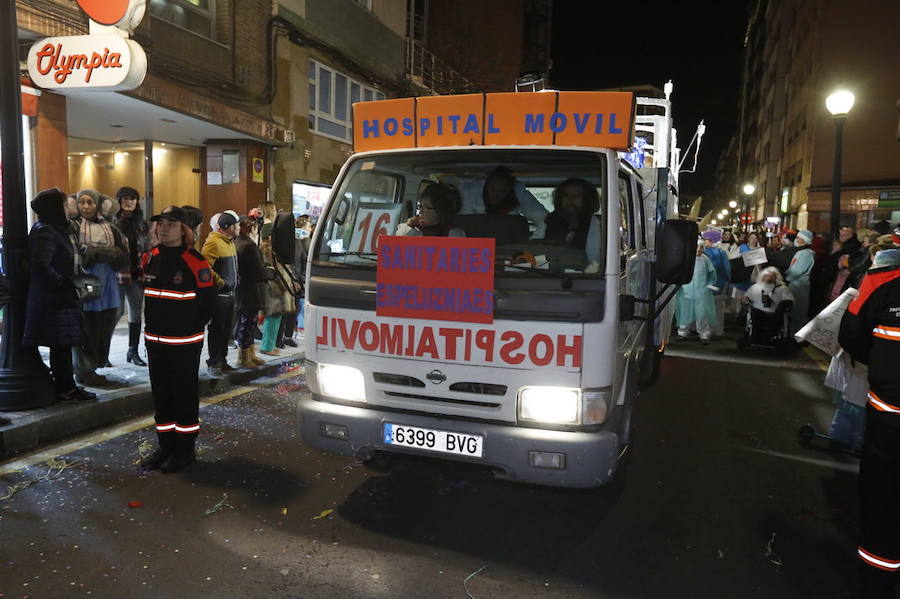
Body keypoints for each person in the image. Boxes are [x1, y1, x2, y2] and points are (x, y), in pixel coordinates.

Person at [838, 247, 900, 597]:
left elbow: (852, 335)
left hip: (890, 419)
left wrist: (882, 366)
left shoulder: (880, 283)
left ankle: (877, 584)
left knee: (883, 500)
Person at [140, 207, 215, 473]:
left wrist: (191, 328)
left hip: (184, 344)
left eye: (172, 224)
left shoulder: (196, 261)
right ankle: (165, 446)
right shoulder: (149, 258)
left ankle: (185, 451)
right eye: (161, 224)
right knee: (162, 397)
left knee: (183, 396)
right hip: (155, 342)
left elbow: (208, 302)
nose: (164, 228)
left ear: (184, 230)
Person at [24, 188, 96, 402]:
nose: (69, 208)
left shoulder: (57, 229)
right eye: (65, 204)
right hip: (54, 298)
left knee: (64, 344)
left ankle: (68, 387)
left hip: (61, 296)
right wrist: (62, 283)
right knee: (61, 345)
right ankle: (66, 389)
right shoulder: (45, 231)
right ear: (55, 208)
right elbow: (40, 264)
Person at [71, 188, 128, 384]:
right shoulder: (74, 227)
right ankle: (84, 369)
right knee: (86, 326)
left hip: (108, 284)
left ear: (98, 205)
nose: (86, 206)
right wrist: (101, 253)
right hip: (84, 285)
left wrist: (103, 254)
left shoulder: (111, 228)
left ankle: (96, 363)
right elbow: (77, 255)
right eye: (82, 202)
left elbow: (123, 254)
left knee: (104, 326)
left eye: (90, 202)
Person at [113, 186, 149, 366]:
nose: (128, 202)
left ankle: (132, 351)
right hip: (118, 272)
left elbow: (147, 246)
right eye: (125, 198)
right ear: (118, 201)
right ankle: (103, 352)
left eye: (132, 199)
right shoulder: (112, 222)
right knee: (116, 311)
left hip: (137, 272)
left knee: (136, 311)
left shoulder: (142, 223)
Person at [458, 166, 548, 237]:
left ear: (510, 192)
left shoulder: (519, 193)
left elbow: (544, 220)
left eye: (502, 191)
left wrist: (534, 244)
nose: (495, 195)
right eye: (493, 189)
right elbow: (459, 227)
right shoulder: (468, 193)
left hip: (511, 253)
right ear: (486, 185)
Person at [201, 212, 239, 376]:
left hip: (230, 295)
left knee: (226, 330)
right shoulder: (214, 243)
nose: (239, 228)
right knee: (217, 329)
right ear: (229, 227)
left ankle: (222, 360)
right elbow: (205, 267)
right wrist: (220, 282)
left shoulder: (229, 242)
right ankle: (214, 363)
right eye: (236, 225)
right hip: (220, 296)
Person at [258, 202, 294, 356]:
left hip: (275, 271)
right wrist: (271, 269)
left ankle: (270, 344)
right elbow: (265, 248)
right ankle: (267, 346)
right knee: (274, 310)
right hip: (273, 273)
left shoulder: (270, 225)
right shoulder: (267, 226)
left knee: (277, 310)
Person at [233, 215, 269, 369]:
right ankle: (243, 357)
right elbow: (258, 271)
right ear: (251, 229)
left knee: (248, 323)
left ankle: (250, 354)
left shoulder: (237, 243)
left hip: (242, 290)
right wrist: (268, 272)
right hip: (250, 290)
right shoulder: (249, 245)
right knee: (247, 324)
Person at [543, 177, 602, 265]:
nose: (569, 200)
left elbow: (596, 262)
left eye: (576, 196)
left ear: (587, 201)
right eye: (565, 195)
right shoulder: (549, 221)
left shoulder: (601, 227)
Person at [675, 242, 718, 343]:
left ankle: (705, 334)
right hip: (686, 290)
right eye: (697, 247)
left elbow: (712, 274)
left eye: (701, 247)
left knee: (702, 314)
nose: (698, 249)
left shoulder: (706, 260)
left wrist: (709, 285)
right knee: (685, 313)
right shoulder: (686, 259)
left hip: (701, 292)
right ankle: (682, 333)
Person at [741, 266, 794, 344]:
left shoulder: (782, 288)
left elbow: (790, 300)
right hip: (758, 313)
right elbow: (746, 297)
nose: (769, 277)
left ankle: (769, 336)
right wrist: (745, 299)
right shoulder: (755, 287)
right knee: (754, 312)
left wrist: (783, 304)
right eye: (767, 275)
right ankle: (755, 336)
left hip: (775, 315)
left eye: (772, 276)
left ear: (776, 277)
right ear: (762, 276)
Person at [397, 182, 466, 237]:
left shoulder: (454, 234)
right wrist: (409, 225)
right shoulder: (413, 230)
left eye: (426, 207)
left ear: (439, 211)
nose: (420, 212)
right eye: (420, 206)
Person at [786, 229, 816, 336]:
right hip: (795, 286)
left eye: (799, 238)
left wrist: (787, 277)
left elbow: (797, 271)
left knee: (799, 311)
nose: (796, 240)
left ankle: (802, 335)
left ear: (804, 240)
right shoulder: (800, 252)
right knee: (794, 310)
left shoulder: (807, 254)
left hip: (800, 287)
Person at [702, 229, 731, 337]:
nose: (704, 241)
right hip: (720, 283)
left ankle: (707, 331)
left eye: (705, 239)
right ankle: (718, 330)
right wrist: (728, 281)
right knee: (719, 309)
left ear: (711, 240)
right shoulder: (722, 253)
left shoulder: (704, 253)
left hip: (706, 284)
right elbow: (728, 270)